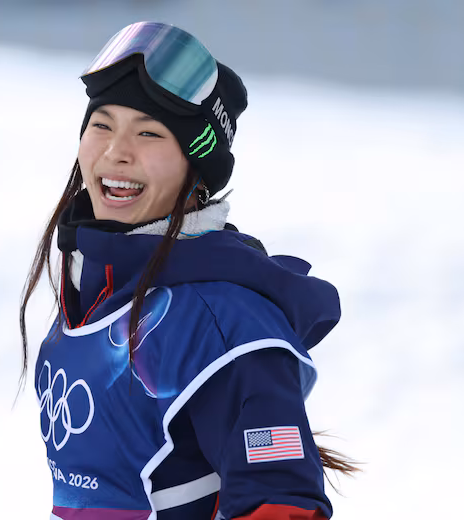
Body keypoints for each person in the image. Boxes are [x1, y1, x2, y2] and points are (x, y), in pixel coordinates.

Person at [20, 21, 357, 520]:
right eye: (102, 124)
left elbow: (281, 505)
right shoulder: (94, 291)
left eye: (149, 133)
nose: (117, 152)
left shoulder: (224, 321)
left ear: (194, 167)